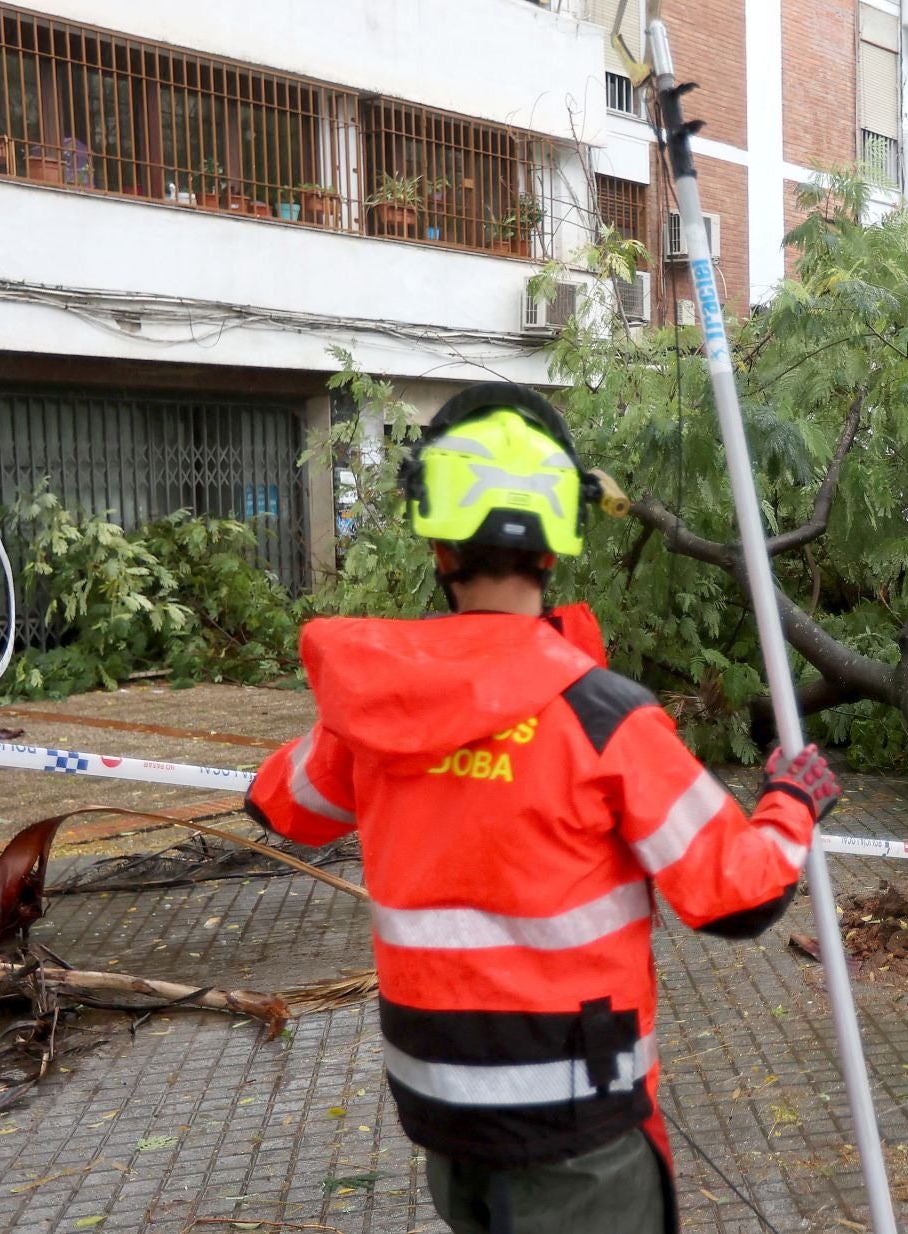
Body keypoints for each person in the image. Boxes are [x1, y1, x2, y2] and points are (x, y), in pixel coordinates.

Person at [247, 383, 839, 1233]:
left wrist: (398, 707)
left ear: (438, 545)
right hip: (578, 1136)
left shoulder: (376, 719)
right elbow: (736, 896)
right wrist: (793, 799)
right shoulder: (603, 716)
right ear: (554, 549)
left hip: (445, 1121)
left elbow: (279, 806)